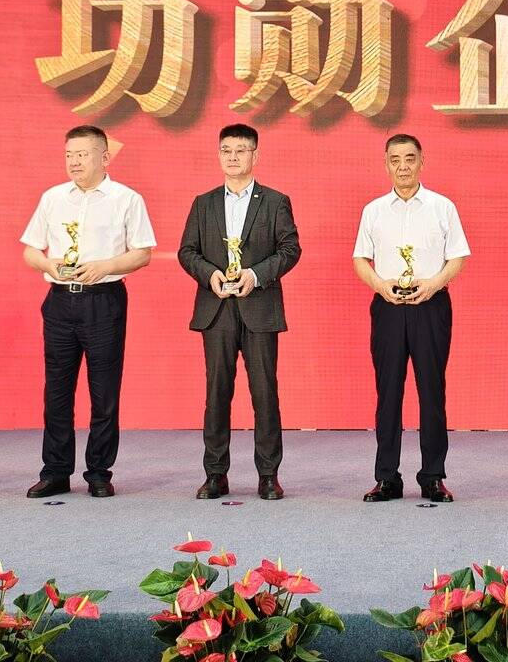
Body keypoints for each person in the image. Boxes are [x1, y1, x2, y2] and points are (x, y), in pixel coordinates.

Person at [20, 125, 155, 498]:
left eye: (82, 154)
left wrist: (105, 266)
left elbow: (143, 253)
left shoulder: (126, 199)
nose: (74, 162)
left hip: (103, 300)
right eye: (69, 155)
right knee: (57, 391)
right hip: (60, 301)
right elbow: (30, 250)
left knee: (104, 391)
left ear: (105, 157)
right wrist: (48, 264)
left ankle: (98, 472)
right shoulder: (52, 198)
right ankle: (55, 471)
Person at [179, 124, 301, 501]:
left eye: (241, 150)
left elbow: (290, 250)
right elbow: (187, 251)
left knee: (264, 393)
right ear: (219, 155)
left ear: (255, 155)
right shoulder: (203, 203)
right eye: (226, 150)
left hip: (259, 306)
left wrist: (255, 275)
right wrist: (210, 275)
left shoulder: (275, 201)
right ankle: (215, 474)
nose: (233, 157)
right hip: (216, 308)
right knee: (216, 392)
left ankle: (268, 475)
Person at [353, 133, 469, 503]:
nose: (403, 167)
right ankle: (387, 478)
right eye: (395, 160)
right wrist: (380, 284)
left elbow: (458, 257)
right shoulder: (374, 210)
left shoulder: (441, 207)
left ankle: (433, 476)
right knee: (388, 392)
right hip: (387, 306)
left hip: (431, 306)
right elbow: (360, 259)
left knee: (432, 391)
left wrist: (434, 284)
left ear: (422, 162)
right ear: (386, 164)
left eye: (409, 159)